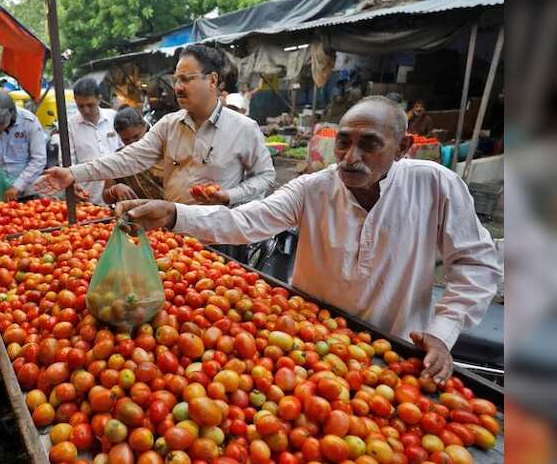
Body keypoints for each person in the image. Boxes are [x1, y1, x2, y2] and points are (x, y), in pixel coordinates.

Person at [115, 96, 501, 384]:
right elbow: (245, 221)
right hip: (310, 345)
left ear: (402, 147)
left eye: (369, 144)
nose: (350, 157)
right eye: (343, 142)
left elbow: (475, 263)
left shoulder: (435, 185)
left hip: (395, 353)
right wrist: (174, 214)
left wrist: (444, 330)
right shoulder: (312, 188)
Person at [35, 44, 276, 207]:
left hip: (221, 237)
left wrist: (230, 196)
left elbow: (265, 176)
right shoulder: (169, 125)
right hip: (175, 235)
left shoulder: (244, 128)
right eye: (176, 79)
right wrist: (72, 173)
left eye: (186, 79)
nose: (178, 87)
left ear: (212, 80)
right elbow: (128, 158)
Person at [0, 84, 47, 201]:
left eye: (0, 124)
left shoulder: (28, 122)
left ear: (11, 113)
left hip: (27, 190)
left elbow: (39, 159)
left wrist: (17, 186)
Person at [67, 77, 122, 204]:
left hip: (118, 192)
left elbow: (125, 150)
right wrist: (71, 183)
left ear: (99, 98)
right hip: (88, 196)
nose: (86, 110)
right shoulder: (70, 125)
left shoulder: (113, 117)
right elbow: (67, 160)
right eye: (81, 106)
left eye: (90, 105)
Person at [102, 106, 164, 204]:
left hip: (174, 210)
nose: (132, 143)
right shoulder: (120, 159)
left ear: (145, 127)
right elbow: (106, 197)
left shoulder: (165, 150)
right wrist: (115, 189)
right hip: (139, 212)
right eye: (126, 140)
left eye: (136, 137)